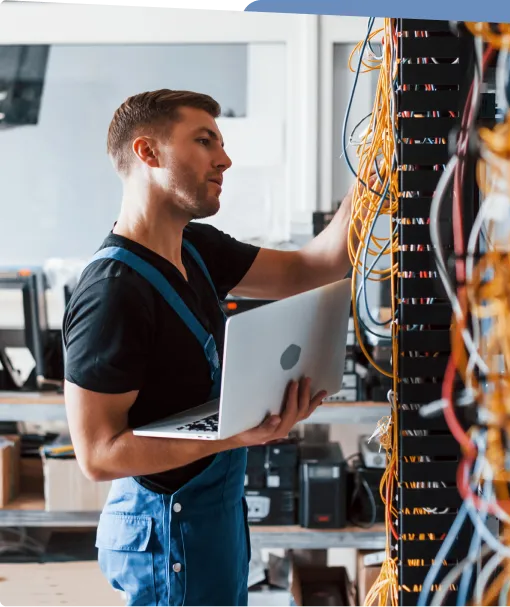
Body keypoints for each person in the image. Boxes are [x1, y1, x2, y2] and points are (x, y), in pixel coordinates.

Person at [62, 89, 357, 607]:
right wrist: (236, 436)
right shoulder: (112, 290)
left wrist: (371, 181)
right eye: (204, 141)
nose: (224, 159)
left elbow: (313, 268)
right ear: (147, 153)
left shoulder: (197, 248)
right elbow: (98, 455)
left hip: (210, 511)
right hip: (164, 525)